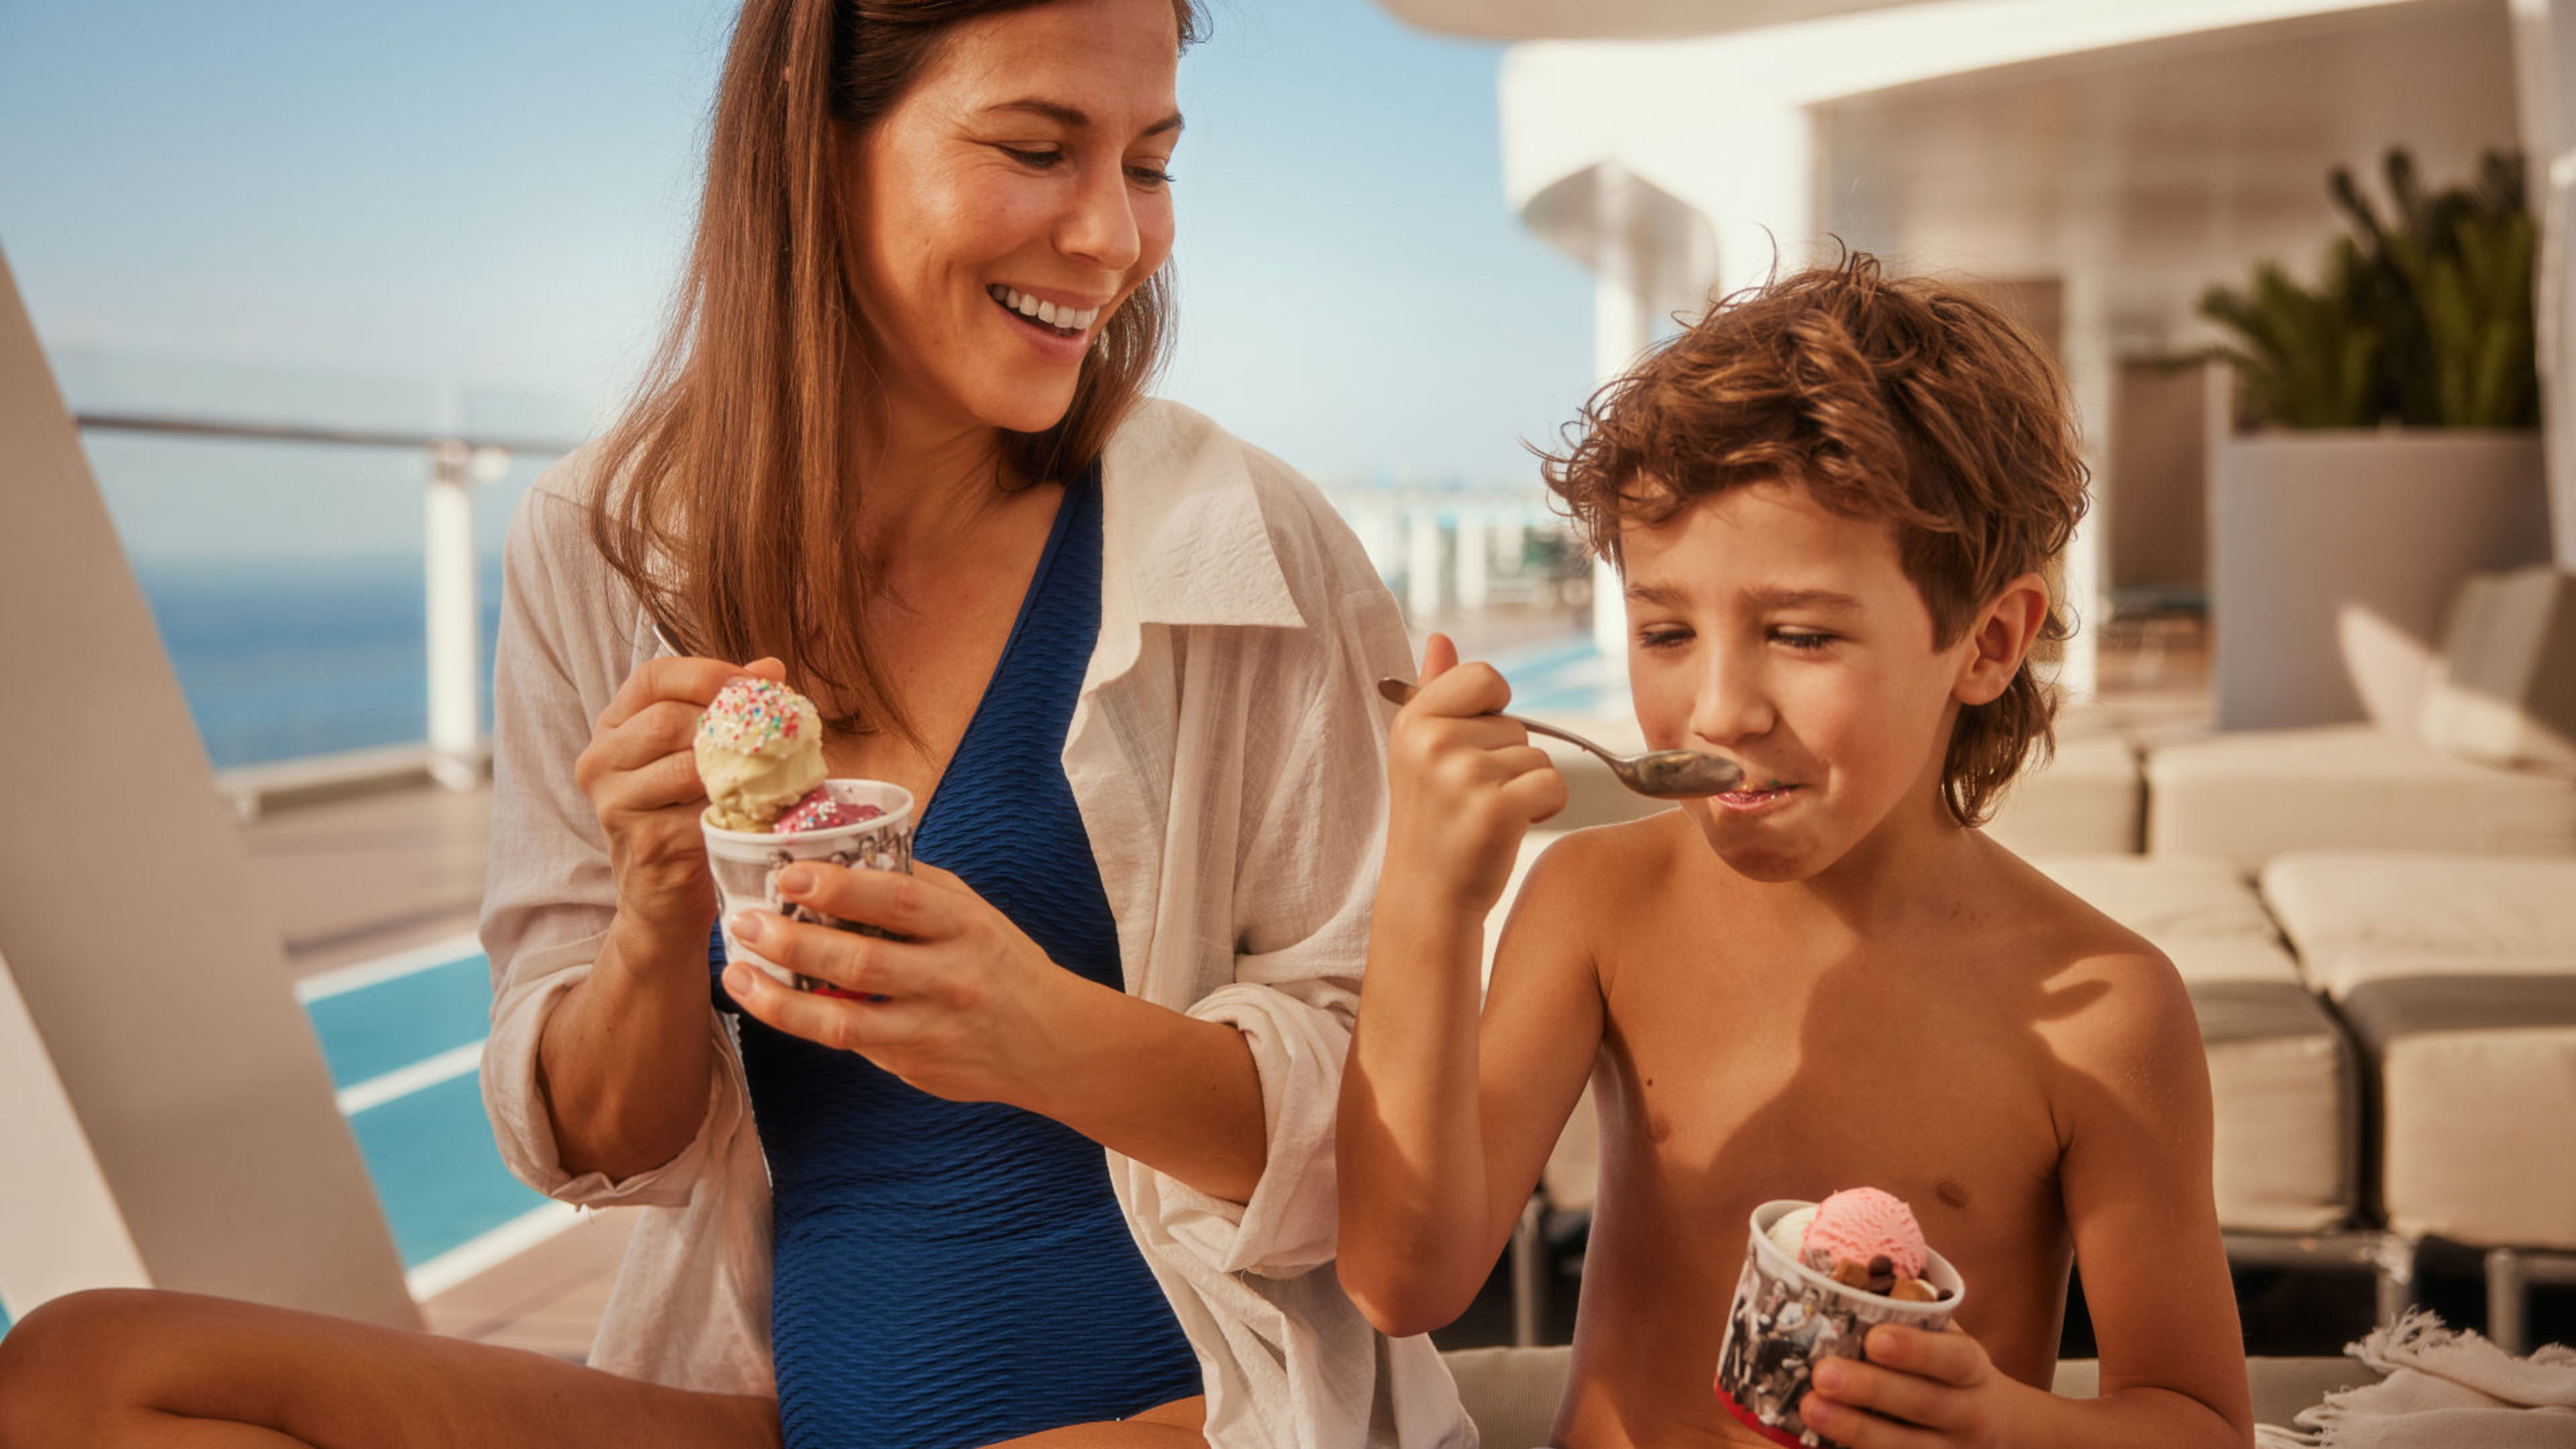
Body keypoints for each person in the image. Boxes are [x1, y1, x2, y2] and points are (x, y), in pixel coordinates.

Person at [0, 2, 1469, 1446]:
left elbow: (1390, 1163)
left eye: (1149, 165)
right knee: (85, 1370)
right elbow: (601, 1143)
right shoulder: (598, 536)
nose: (1114, 237)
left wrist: (1039, 1032)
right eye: (1038, 150)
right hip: (788, 1406)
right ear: (812, 146)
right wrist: (653, 924)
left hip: (1200, 1408)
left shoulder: (1245, 543)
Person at [1335, 254, 2257, 1449]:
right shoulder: (1600, 901)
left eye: (1802, 636)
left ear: (1987, 645)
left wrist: (2005, 1425)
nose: (1719, 709)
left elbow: (2199, 1423)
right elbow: (1403, 1284)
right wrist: (1427, 897)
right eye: (1666, 632)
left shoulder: (2110, 1012)